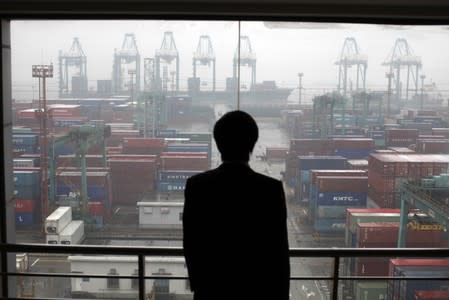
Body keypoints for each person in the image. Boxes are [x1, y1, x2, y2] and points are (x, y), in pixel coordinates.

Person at [183, 110, 290, 300]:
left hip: (211, 291)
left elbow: (191, 243)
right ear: (253, 143)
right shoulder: (271, 190)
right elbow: (278, 253)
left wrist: (199, 286)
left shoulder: (197, 186)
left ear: (217, 144)